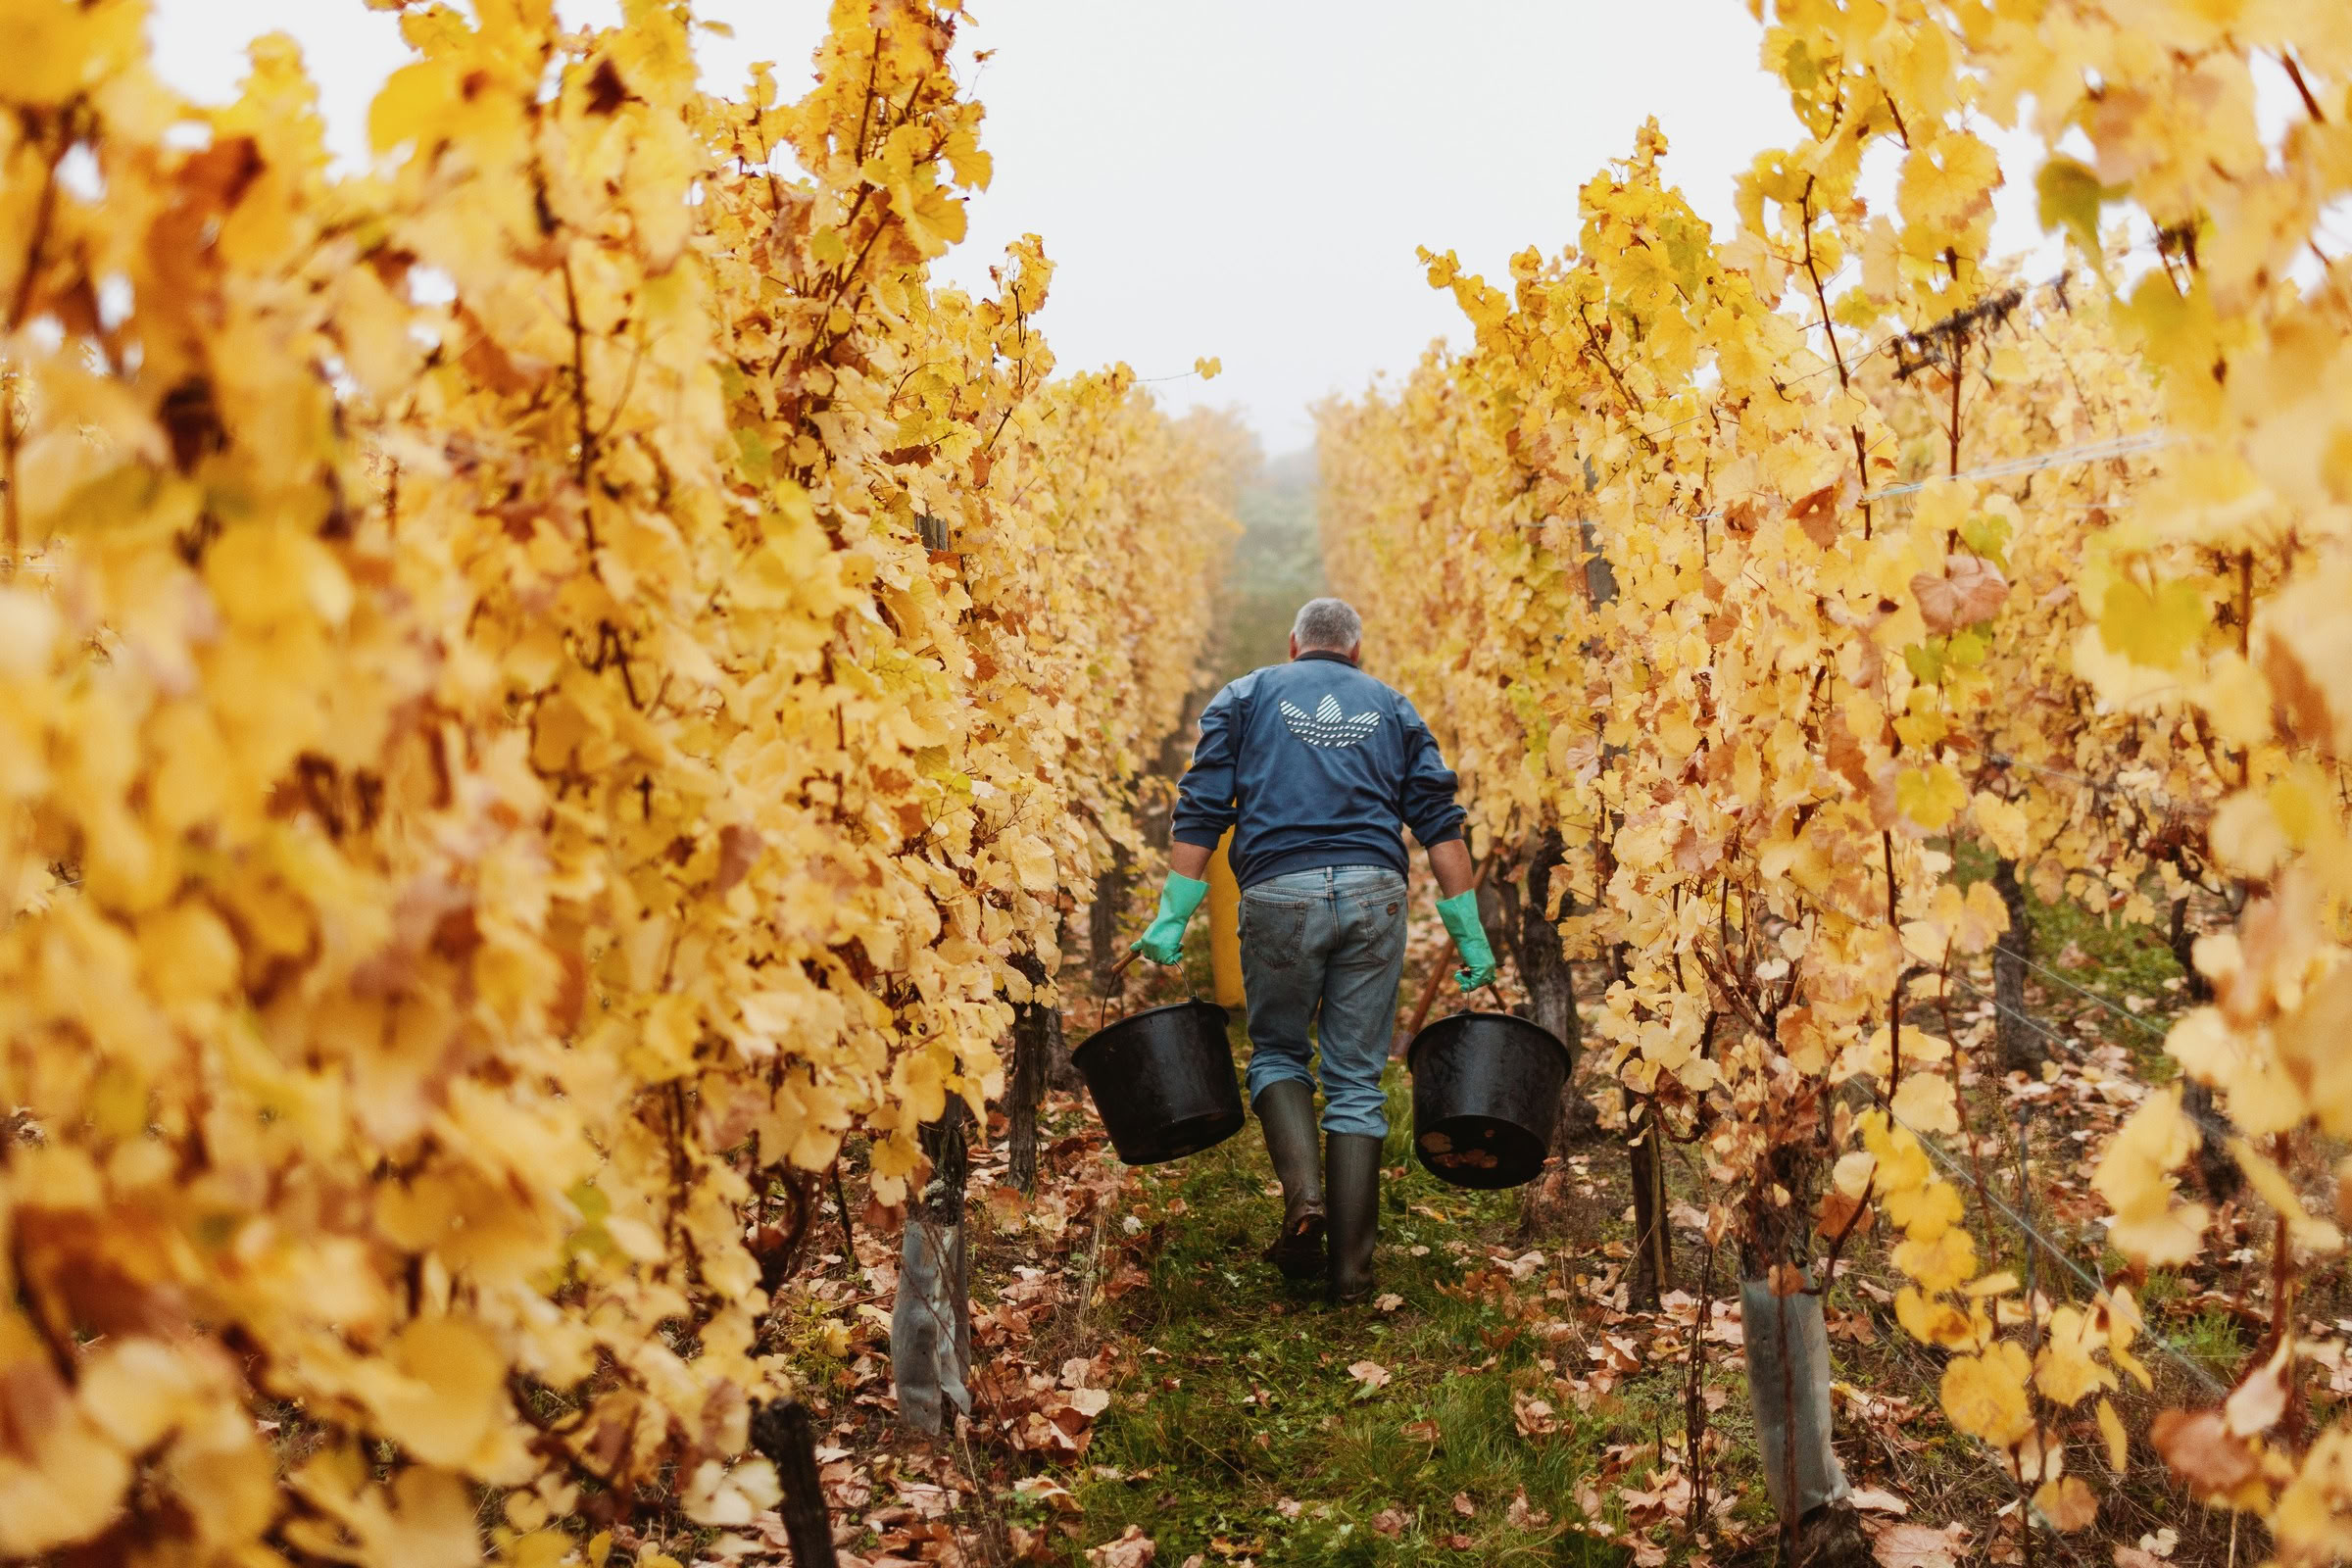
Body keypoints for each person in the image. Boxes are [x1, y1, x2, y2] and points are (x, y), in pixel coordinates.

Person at [1131, 597, 1494, 1303]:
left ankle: (1305, 1201)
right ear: (1356, 652)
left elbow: (1201, 807)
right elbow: (1439, 823)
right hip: (1374, 892)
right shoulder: (1392, 706)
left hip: (1279, 894)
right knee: (1357, 1079)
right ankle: (1352, 1276)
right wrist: (1468, 931)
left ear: (1292, 645)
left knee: (1276, 1052)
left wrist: (1174, 915)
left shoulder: (1245, 695)